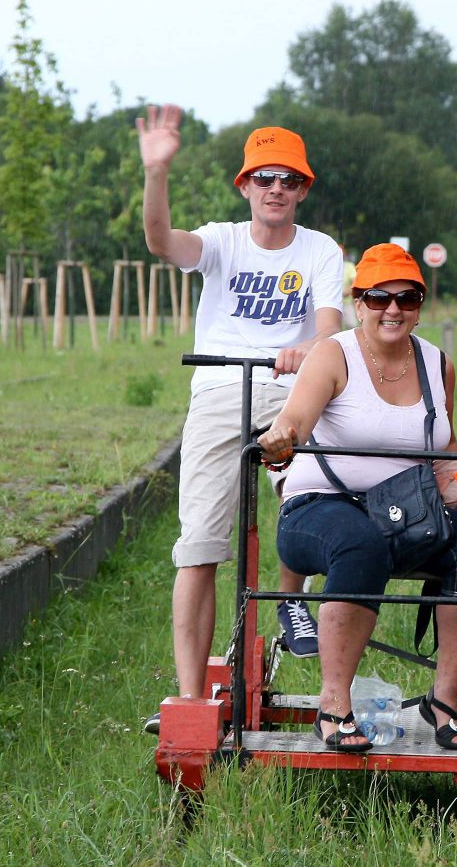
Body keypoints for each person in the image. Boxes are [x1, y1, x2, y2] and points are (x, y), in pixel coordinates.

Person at [137, 105, 344, 732]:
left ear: (303, 189)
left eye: (288, 179)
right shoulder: (222, 242)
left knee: (314, 498)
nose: (276, 188)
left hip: (290, 390)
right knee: (199, 541)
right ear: (245, 186)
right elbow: (160, 242)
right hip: (223, 386)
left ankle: (290, 600)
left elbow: (331, 334)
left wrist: (303, 349)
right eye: (264, 177)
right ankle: (191, 697)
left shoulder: (321, 251)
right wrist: (156, 173)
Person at [258, 243, 457, 752]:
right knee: (360, 544)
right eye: (378, 298)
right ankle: (334, 705)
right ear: (358, 302)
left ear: (420, 304)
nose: (393, 309)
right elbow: (296, 420)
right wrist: (281, 439)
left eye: (407, 298)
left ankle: (444, 700)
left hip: (407, 511)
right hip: (320, 506)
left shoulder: (438, 364)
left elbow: (446, 449)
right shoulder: (333, 353)